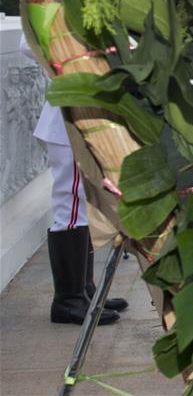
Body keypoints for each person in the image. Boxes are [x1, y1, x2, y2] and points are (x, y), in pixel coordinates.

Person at [19, 34, 128, 325]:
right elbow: (28, 43)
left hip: (81, 114)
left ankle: (84, 289)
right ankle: (68, 300)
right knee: (71, 208)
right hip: (68, 118)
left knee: (82, 205)